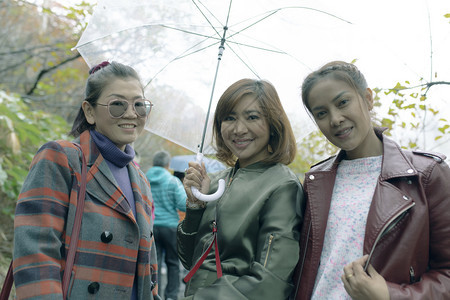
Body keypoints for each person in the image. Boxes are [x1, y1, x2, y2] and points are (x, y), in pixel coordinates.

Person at [292, 61, 450, 300]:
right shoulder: (316, 182)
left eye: (343, 102)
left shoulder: (426, 175)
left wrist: (391, 295)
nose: (335, 119)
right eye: (321, 113)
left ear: (367, 98)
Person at [13, 61, 161, 299]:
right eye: (117, 105)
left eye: (139, 105)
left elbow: (148, 270)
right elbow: (35, 255)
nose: (132, 113)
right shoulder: (62, 158)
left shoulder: (141, 182)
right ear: (90, 111)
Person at [177, 78, 305, 299]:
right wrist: (195, 205)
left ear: (273, 123)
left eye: (252, 117)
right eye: (229, 118)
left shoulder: (283, 186)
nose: (238, 129)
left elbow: (270, 281)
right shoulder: (215, 181)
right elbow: (190, 260)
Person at [146, 150, 187, 300]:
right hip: (170, 227)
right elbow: (183, 205)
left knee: (154, 265)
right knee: (173, 263)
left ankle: (155, 295)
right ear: (168, 165)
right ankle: (171, 296)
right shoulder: (172, 181)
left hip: (150, 227)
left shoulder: (142, 178)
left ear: (153, 163)